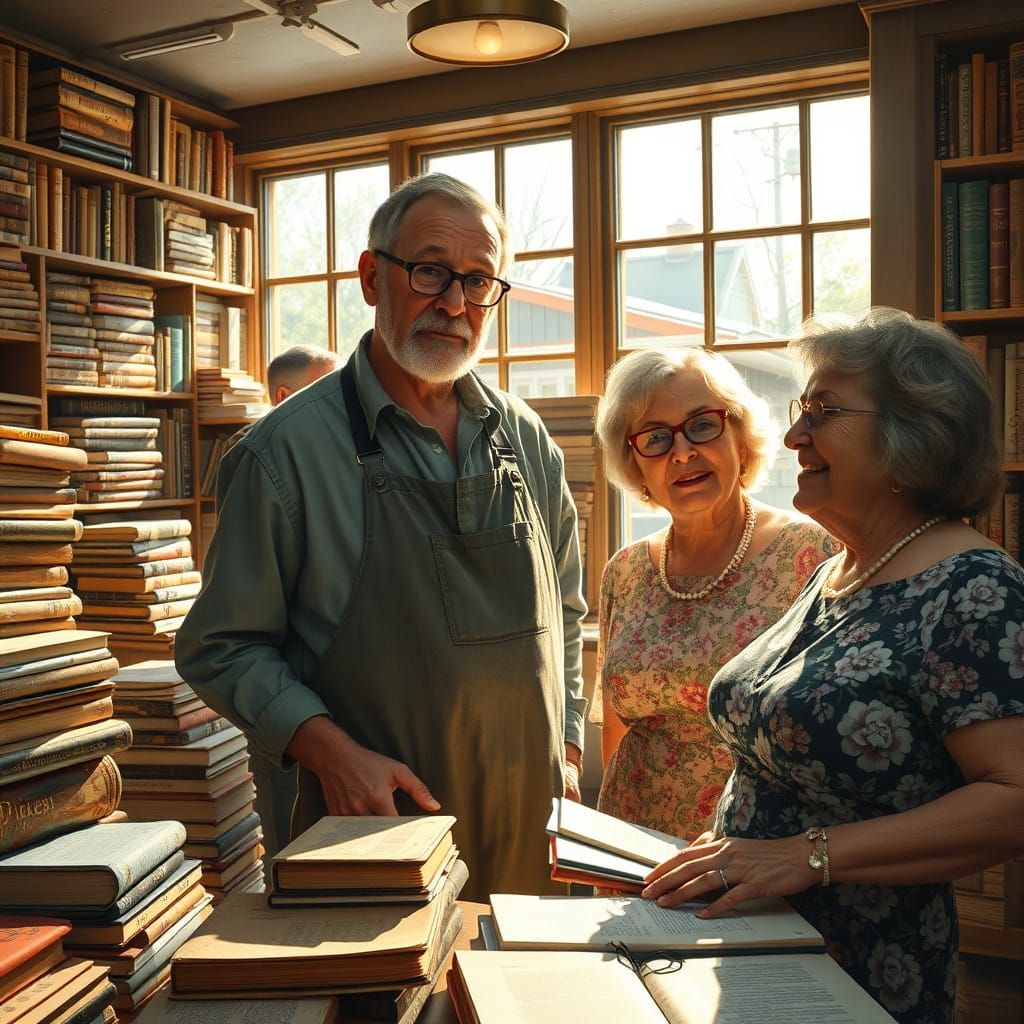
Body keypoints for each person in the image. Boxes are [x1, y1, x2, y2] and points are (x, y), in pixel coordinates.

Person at [176, 172, 588, 902]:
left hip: (534, 835)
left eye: (479, 280)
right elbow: (220, 646)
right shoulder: (283, 454)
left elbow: (566, 611)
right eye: (431, 271)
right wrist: (328, 751)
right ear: (372, 277)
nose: (454, 304)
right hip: (371, 836)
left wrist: (572, 749)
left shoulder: (526, 440)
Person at [641, 308, 1024, 1024]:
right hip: (757, 943)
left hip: (859, 967)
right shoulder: (838, 571)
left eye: (821, 412)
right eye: (800, 411)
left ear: (913, 433)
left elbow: (1014, 797)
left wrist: (806, 854)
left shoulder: (974, 588)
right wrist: (733, 848)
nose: (792, 437)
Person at [592, 347, 834, 841]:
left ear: (741, 438)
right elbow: (617, 729)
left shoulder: (814, 555)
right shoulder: (626, 571)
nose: (681, 452)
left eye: (701, 425)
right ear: (636, 465)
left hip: (755, 850)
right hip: (632, 845)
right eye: (655, 439)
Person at [217, 344, 343, 875]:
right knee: (291, 847)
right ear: (284, 397)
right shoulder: (255, 460)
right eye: (325, 388)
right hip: (287, 694)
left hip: (335, 700)